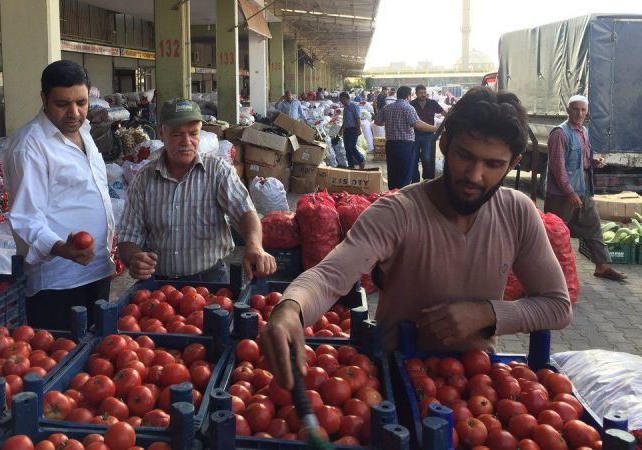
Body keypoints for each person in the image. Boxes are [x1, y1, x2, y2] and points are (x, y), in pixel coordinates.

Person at [260, 87, 573, 389]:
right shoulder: (397, 212)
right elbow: (330, 275)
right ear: (445, 144)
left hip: (478, 386)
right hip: (395, 379)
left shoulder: (518, 212)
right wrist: (291, 309)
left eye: (493, 164)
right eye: (465, 156)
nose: (475, 176)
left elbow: (557, 305)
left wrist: (488, 313)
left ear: (513, 164)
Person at [3, 60, 115, 330]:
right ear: (44, 99)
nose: (74, 112)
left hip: (96, 269)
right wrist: (62, 248)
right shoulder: (30, 146)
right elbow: (26, 217)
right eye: (62, 104)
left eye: (82, 102)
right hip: (59, 282)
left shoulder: (84, 133)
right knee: (62, 357)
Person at [118, 98, 277, 282]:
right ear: (162, 132)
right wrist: (135, 258)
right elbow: (128, 237)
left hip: (211, 280)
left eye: (193, 133)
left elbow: (245, 213)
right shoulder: (143, 180)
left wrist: (255, 246)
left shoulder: (218, 171)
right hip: (160, 287)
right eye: (177, 134)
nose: (187, 142)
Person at [545, 94, 626, 281]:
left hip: (582, 191)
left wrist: (592, 161)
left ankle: (602, 266)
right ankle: (548, 272)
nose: (579, 113)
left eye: (583, 110)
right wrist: (570, 192)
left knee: (593, 226)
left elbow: (580, 160)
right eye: (575, 109)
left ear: (586, 112)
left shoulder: (584, 132)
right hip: (562, 195)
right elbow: (558, 169)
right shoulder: (559, 134)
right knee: (555, 234)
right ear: (568, 110)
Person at [375, 86, 437, 189]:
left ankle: (393, 195)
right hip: (405, 146)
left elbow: (377, 121)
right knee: (404, 173)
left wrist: (390, 124)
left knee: (393, 172)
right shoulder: (408, 107)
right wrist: (436, 129)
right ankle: (402, 196)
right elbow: (418, 125)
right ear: (408, 96)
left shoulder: (387, 107)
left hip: (390, 145)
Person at [410, 84, 447, 181]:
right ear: (416, 94)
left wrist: (450, 119)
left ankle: (427, 180)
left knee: (426, 159)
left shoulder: (432, 103)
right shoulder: (411, 104)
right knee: (414, 160)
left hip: (429, 136)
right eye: (420, 93)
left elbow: (444, 113)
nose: (423, 95)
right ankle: (415, 181)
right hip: (414, 135)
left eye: (424, 92)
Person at [339, 91, 365, 170]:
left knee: (351, 147)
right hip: (346, 130)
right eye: (340, 100)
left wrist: (359, 128)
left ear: (347, 99)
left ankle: (361, 160)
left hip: (353, 130)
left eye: (342, 100)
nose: (342, 102)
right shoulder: (345, 108)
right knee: (347, 149)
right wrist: (341, 129)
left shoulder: (354, 106)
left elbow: (357, 118)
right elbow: (345, 120)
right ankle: (351, 166)